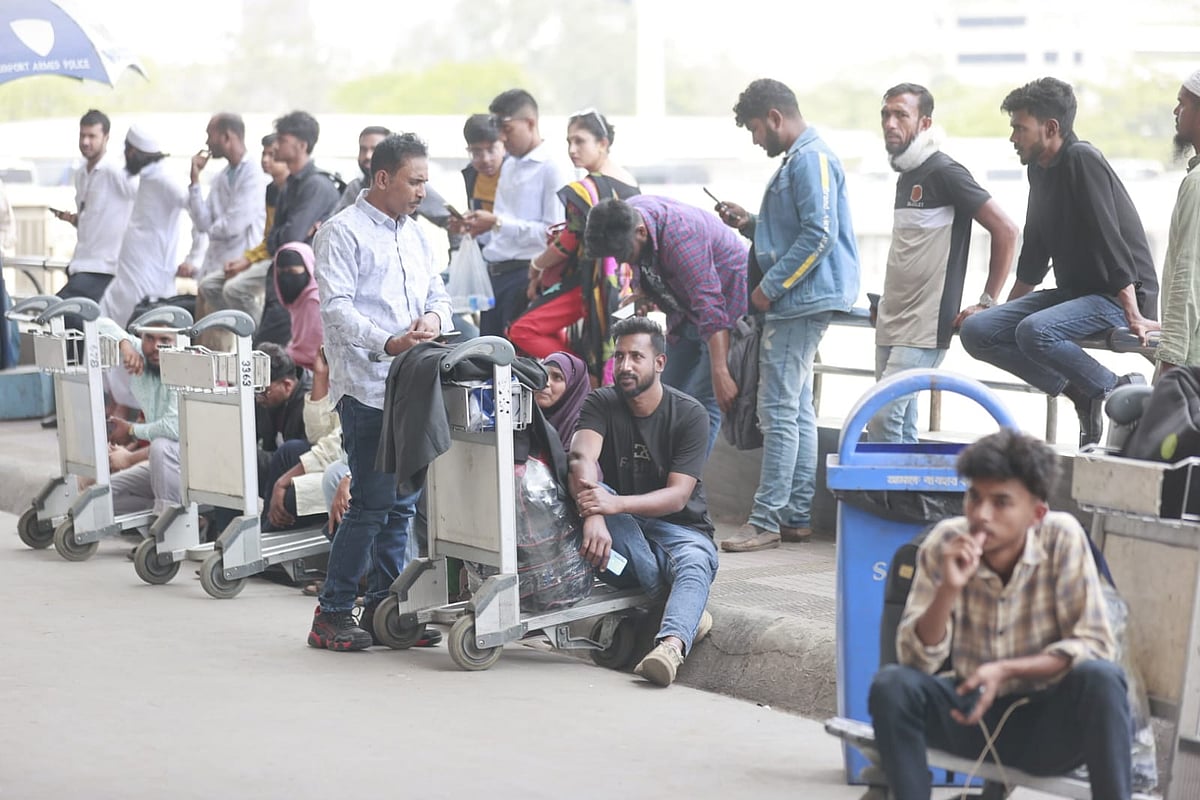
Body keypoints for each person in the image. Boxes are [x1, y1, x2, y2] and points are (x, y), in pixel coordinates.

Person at [868, 428, 1130, 800]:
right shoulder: (945, 541)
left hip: (1047, 731)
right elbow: (914, 660)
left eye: (1001, 502)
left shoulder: (1061, 538)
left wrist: (1007, 670)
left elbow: (1096, 645)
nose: (981, 515)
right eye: (974, 497)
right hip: (970, 718)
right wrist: (948, 588)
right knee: (892, 685)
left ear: (1036, 514)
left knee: (1102, 678)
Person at [308, 132, 453, 651]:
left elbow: (439, 293)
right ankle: (331, 613)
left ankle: (389, 611)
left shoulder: (416, 235)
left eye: (425, 182)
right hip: (367, 388)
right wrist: (388, 341)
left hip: (413, 384)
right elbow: (337, 311)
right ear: (383, 178)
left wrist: (434, 319)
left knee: (401, 506)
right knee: (371, 503)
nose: (421, 192)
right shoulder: (341, 233)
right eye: (414, 182)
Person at [958, 77, 1159, 447]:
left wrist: (1133, 313)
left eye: (1020, 127)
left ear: (1050, 128)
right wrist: (998, 313)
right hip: (1076, 294)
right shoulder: (1039, 171)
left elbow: (1109, 240)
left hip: (1118, 294)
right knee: (977, 332)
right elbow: (1034, 253)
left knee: (1035, 331)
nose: (1013, 137)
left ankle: (1116, 389)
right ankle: (1081, 393)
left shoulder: (1083, 159)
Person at [715, 78, 860, 553]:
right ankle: (795, 515)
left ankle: (765, 520)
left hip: (799, 301)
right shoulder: (802, 160)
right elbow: (797, 230)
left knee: (777, 411)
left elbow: (818, 235)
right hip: (802, 299)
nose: (757, 140)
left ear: (775, 117)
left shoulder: (810, 159)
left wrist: (767, 289)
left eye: (757, 129)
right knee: (795, 410)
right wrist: (749, 224)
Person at [568, 316, 717, 687]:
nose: (625, 366)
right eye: (618, 357)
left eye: (636, 356)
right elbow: (581, 458)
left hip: (679, 528)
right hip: (619, 535)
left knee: (697, 559)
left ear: (660, 363)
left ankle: (670, 647)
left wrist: (611, 506)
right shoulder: (601, 401)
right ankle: (684, 607)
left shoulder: (690, 414)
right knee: (596, 534)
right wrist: (594, 515)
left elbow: (678, 495)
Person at [869, 84, 1019, 443]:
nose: (890, 123)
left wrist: (987, 302)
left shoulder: (945, 171)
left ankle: (885, 500)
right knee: (900, 429)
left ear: (924, 123)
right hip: (891, 319)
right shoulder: (907, 174)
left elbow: (1008, 231)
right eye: (886, 114)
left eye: (901, 115)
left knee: (881, 419)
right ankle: (904, 500)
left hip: (923, 327)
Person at [583, 196, 748, 457]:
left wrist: (721, 371)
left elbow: (711, 308)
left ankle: (684, 487)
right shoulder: (629, 214)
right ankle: (658, 478)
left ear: (641, 232)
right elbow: (645, 262)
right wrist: (645, 292)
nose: (624, 261)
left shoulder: (682, 236)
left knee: (700, 404)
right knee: (660, 395)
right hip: (685, 314)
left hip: (725, 315)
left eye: (624, 255)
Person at [508, 109, 640, 381]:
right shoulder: (631, 183)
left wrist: (537, 265)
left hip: (590, 283)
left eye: (580, 141)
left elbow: (570, 240)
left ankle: (574, 375)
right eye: (569, 142)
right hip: (623, 285)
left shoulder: (586, 189)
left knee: (522, 330)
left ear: (603, 143)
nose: (572, 149)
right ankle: (583, 376)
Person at [456, 89, 575, 337]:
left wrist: (497, 222)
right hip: (495, 274)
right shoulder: (509, 165)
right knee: (490, 359)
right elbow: (500, 232)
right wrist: (477, 228)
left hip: (526, 275)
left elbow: (553, 234)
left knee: (515, 364)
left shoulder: (553, 168)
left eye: (506, 130)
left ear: (530, 123)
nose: (502, 137)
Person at [257, 110, 342, 348]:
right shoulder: (290, 184)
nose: (277, 145)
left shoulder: (316, 185)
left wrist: (285, 237)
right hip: (282, 278)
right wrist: (285, 236)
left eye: (283, 140)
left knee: (267, 349)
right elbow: (274, 240)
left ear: (302, 145)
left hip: (302, 285)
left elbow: (290, 240)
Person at [100, 125, 189, 329]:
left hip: (149, 279)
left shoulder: (164, 179)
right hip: (130, 275)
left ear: (132, 152)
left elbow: (197, 211)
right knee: (105, 327)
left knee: (139, 331)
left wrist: (194, 257)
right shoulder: (147, 177)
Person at [96, 316, 182, 517]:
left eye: (165, 340)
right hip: (160, 464)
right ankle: (167, 514)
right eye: (149, 338)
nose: (155, 347)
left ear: (179, 341)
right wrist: (126, 346)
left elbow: (173, 429)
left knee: (161, 446)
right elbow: (100, 323)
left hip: (188, 464)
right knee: (102, 497)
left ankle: (169, 520)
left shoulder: (186, 366)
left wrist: (132, 432)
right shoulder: (143, 354)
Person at [52, 109, 137, 311]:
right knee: (69, 324)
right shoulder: (81, 173)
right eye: (82, 135)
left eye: (92, 136)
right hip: (80, 264)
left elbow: (143, 200)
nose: (85, 142)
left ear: (106, 138)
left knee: (58, 311)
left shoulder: (116, 170)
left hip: (104, 268)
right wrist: (74, 220)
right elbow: (91, 216)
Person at [204, 134, 290, 322]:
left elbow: (281, 242)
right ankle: (241, 328)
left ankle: (260, 338)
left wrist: (248, 260)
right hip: (264, 256)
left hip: (282, 261)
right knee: (208, 286)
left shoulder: (294, 190)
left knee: (235, 289)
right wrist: (246, 259)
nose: (266, 160)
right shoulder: (271, 190)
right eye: (264, 154)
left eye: (273, 155)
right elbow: (269, 238)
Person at [186, 113, 266, 293]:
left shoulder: (253, 174)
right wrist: (195, 179)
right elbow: (202, 222)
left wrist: (210, 229)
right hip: (214, 269)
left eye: (209, 135)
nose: (207, 143)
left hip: (238, 270)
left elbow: (233, 225)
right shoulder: (220, 177)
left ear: (227, 136)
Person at [1156, 68, 1200, 373]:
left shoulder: (1197, 183)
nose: (1176, 111)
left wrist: (1169, 361)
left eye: (1182, 103)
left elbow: (1189, 277)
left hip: (1190, 365)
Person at [272, 242, 322, 370]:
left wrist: (287, 354)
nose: (286, 278)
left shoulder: (313, 301)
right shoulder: (299, 302)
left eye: (292, 271)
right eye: (281, 273)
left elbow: (312, 354)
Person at [536, 351, 591, 452]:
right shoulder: (521, 418)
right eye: (543, 374)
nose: (547, 383)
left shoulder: (581, 428)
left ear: (572, 387)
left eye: (557, 377)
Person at [461, 113, 505, 213]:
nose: (485, 159)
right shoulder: (471, 174)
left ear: (504, 146)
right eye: (476, 153)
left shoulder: (515, 173)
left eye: (491, 150)